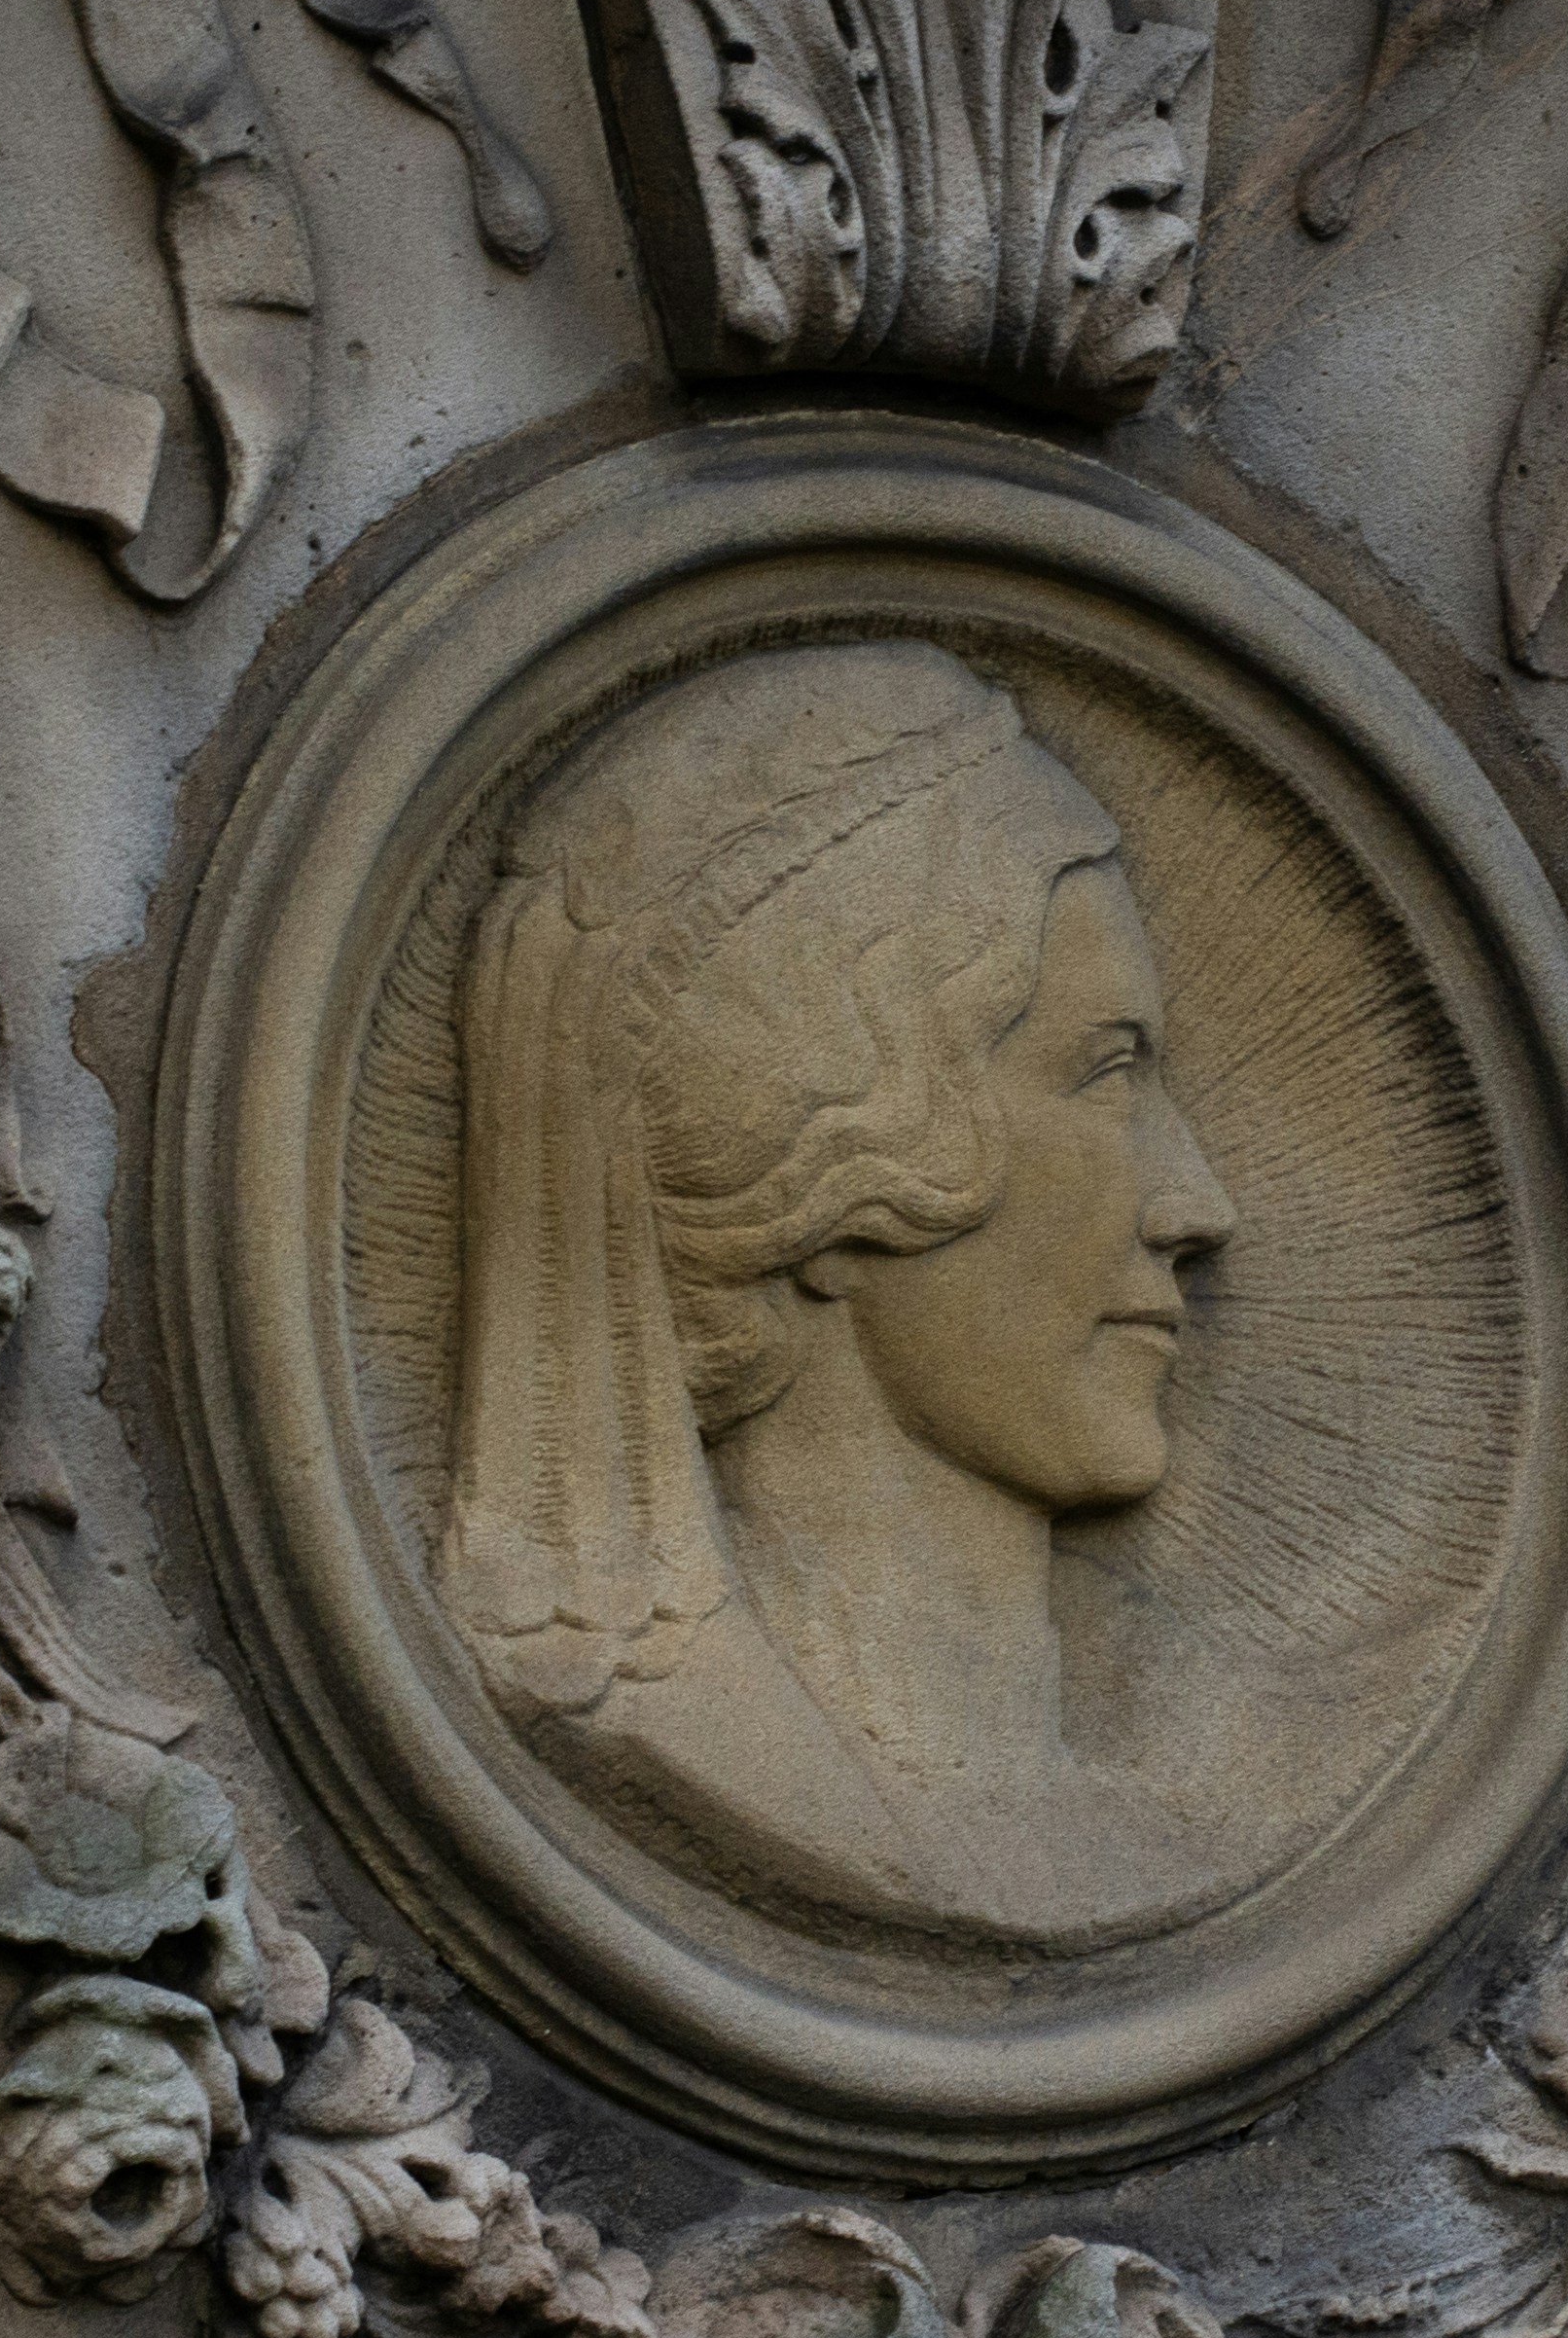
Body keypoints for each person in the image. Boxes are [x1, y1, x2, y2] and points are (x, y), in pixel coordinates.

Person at [443, 638, 1238, 1956]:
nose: (1198, 1204)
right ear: (815, 1152)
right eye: (1104, 1078)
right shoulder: (704, 1767)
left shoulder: (1146, 1844)